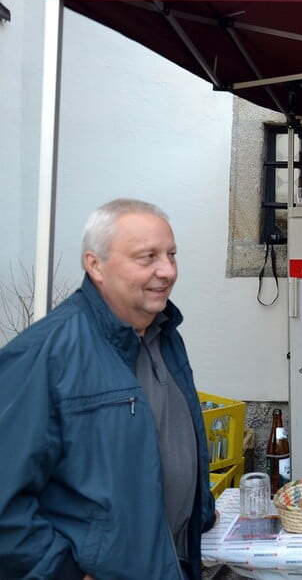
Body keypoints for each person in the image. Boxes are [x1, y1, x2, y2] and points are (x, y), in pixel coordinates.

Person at [0, 199, 216, 579]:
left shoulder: (165, 334)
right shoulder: (44, 354)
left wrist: (200, 512)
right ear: (95, 265)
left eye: (171, 255)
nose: (167, 271)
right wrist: (61, 572)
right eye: (147, 257)